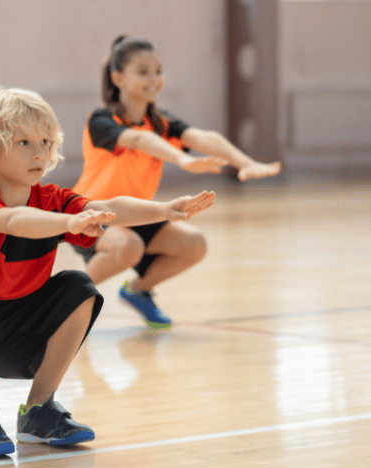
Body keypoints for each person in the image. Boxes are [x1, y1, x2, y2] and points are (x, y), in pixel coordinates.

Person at [0, 86, 216, 457]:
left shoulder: (52, 199)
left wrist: (165, 210)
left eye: (46, 141)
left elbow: (111, 205)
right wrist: (69, 222)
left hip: (8, 335)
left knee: (79, 286)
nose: (39, 152)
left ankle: (39, 411)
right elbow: (17, 220)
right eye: (23, 142)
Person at [71, 35, 281, 329]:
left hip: (135, 215)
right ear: (118, 77)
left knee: (194, 244)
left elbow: (203, 138)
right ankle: (66, 303)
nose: (154, 79)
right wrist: (182, 160)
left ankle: (138, 290)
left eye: (158, 71)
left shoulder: (161, 123)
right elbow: (139, 140)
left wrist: (244, 162)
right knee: (128, 247)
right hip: (91, 215)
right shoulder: (102, 119)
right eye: (143, 71)